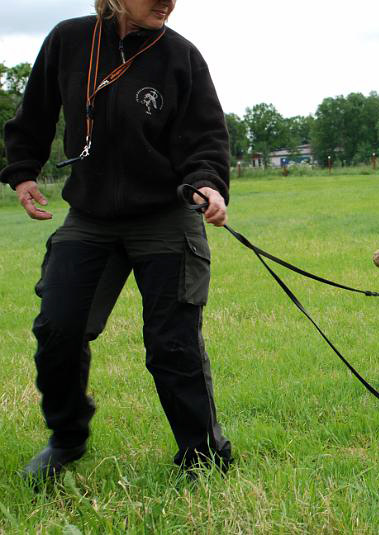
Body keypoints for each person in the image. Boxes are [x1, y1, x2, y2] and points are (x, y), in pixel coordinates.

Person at [1, 0, 233, 482]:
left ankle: (203, 457)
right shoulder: (68, 40)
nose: (168, 2)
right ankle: (66, 439)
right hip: (91, 217)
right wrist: (22, 171)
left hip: (167, 216)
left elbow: (206, 136)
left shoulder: (181, 57)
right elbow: (36, 112)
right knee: (58, 329)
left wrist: (208, 182)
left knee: (173, 345)